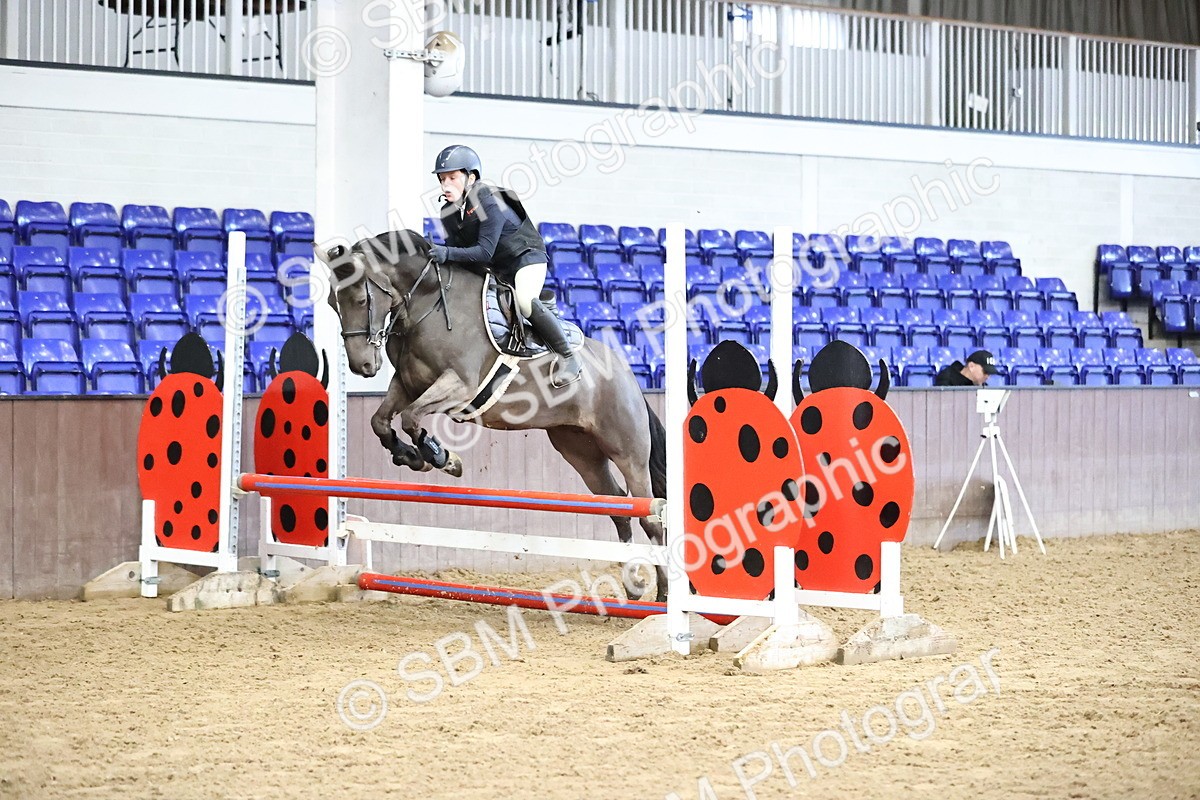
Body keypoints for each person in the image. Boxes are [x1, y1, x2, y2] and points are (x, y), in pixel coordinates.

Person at [426, 144, 581, 387]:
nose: (446, 184)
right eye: (442, 179)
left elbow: (483, 251)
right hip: (497, 267)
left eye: (453, 178)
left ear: (471, 177)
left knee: (524, 300)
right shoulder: (448, 211)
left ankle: (569, 357)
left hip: (525, 257)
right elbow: (458, 256)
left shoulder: (490, 201)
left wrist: (445, 252)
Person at [934, 349, 999, 386]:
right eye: (985, 372)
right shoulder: (947, 379)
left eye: (989, 374)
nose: (987, 377)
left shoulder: (982, 386)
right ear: (971, 366)